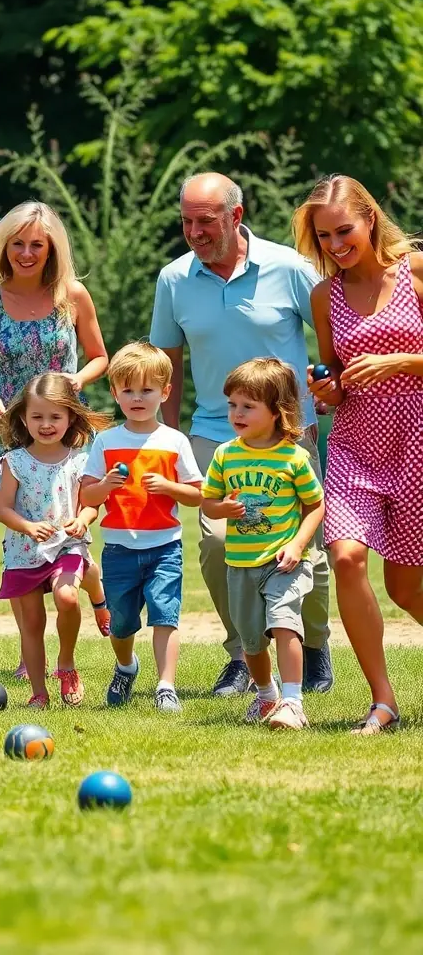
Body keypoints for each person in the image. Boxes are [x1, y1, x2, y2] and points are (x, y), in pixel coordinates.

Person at [150, 171, 333, 697]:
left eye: (204, 221)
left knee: (306, 547)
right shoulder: (174, 279)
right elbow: (168, 362)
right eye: (185, 221)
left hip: (290, 432)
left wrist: (324, 395)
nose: (193, 232)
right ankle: (243, 653)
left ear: (235, 215)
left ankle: (313, 647)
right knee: (218, 542)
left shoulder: (291, 268)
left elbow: (327, 344)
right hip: (212, 431)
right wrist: (166, 434)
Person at [294, 174, 423, 734]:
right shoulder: (325, 295)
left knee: (405, 587)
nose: (336, 245)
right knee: (345, 558)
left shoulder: (416, 273)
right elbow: (335, 376)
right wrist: (327, 391)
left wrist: (400, 362)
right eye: (324, 237)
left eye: (344, 231)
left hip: (414, 443)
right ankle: (383, 700)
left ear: (370, 218)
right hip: (353, 445)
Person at [0, 200, 111, 678]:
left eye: (37, 245)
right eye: (18, 244)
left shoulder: (72, 295)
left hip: (64, 428)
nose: (27, 253)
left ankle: (91, 589)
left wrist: (76, 383)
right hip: (9, 433)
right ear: (4, 247)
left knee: (70, 526)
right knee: (21, 540)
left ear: (52, 249)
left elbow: (99, 357)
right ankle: (34, 657)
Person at [201, 359, 325, 730]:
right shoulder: (225, 454)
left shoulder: (294, 457)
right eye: (232, 405)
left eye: (247, 406)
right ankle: (267, 695)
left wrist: (298, 545)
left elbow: (315, 504)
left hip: (284, 561)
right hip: (240, 565)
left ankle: (292, 702)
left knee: (285, 623)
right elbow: (208, 502)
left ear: (276, 412)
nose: (236, 413)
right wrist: (221, 507)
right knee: (252, 641)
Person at [81, 343, 203, 712]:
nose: (137, 398)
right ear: (115, 393)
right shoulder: (106, 441)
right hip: (118, 549)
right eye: (128, 390)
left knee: (165, 613)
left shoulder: (174, 441)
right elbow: (87, 495)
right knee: (121, 623)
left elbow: (197, 495)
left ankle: (166, 686)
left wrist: (169, 488)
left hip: (165, 546)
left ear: (165, 393)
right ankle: (125, 665)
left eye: (147, 390)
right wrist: (105, 487)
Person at [0, 373, 110, 709]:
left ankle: (67, 664)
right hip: (24, 550)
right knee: (31, 624)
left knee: (67, 597)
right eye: (38, 416)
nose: (46, 424)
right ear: (23, 419)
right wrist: (28, 527)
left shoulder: (80, 460)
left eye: (55, 417)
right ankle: (38, 693)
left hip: (68, 545)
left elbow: (91, 505)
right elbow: (3, 509)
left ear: (70, 417)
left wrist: (83, 519)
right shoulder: (13, 462)